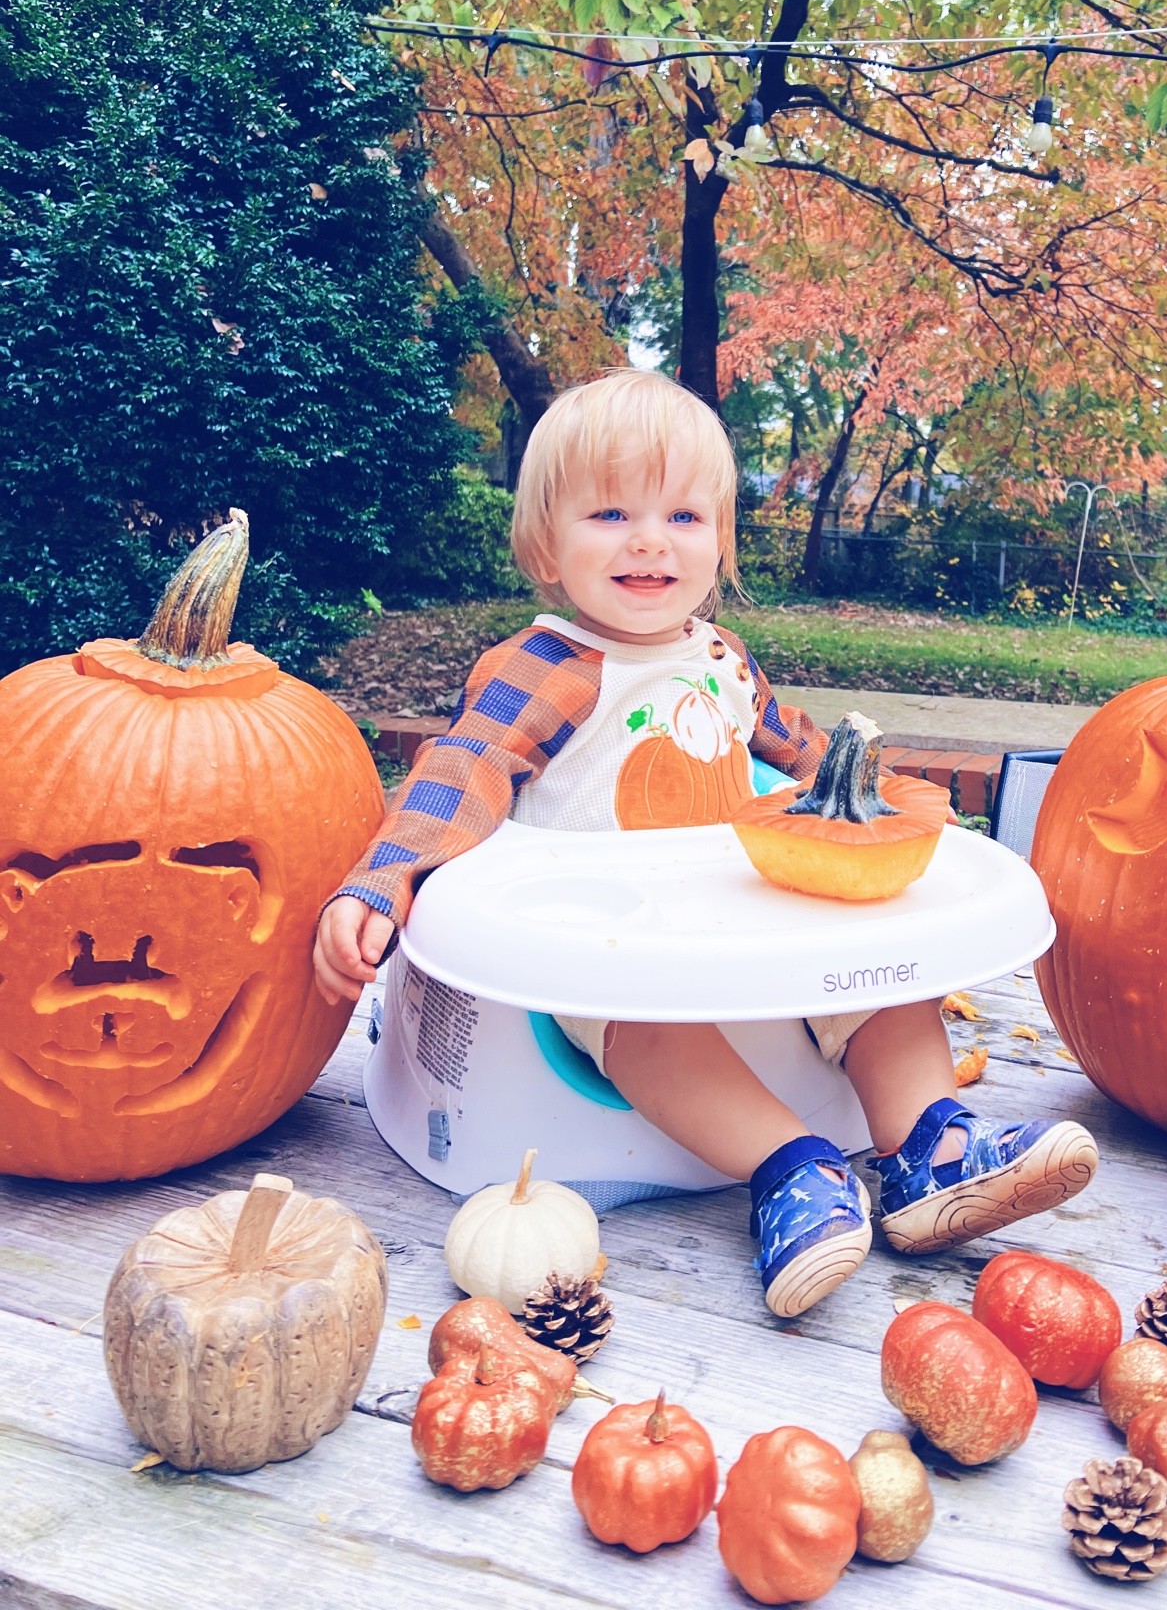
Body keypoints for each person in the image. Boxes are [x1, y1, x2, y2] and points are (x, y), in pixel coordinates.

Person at [315, 370, 1096, 1317]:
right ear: (546, 545)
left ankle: (932, 1148)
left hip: (740, 921)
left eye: (684, 516)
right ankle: (796, 1171)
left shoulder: (724, 659)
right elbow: (464, 768)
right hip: (611, 956)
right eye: (610, 512)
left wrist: (895, 809)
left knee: (884, 978)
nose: (650, 539)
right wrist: (382, 881)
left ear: (720, 543)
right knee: (646, 1028)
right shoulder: (555, 668)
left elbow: (807, 760)